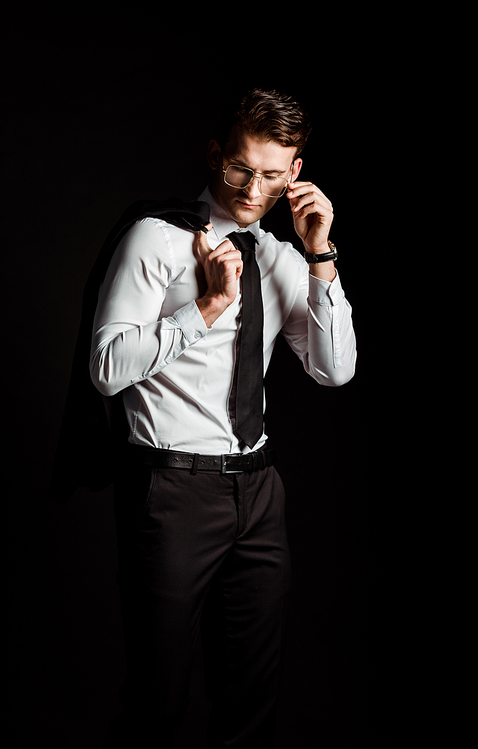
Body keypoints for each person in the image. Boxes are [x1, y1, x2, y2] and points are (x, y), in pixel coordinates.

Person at [90, 88, 357, 748]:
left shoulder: (283, 259)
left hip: (259, 493)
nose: (252, 186)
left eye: (271, 173)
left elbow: (335, 369)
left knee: (251, 703)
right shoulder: (157, 238)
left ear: (296, 173)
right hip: (175, 492)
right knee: (160, 700)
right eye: (241, 167)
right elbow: (106, 365)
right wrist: (203, 311)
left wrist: (322, 255)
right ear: (216, 156)